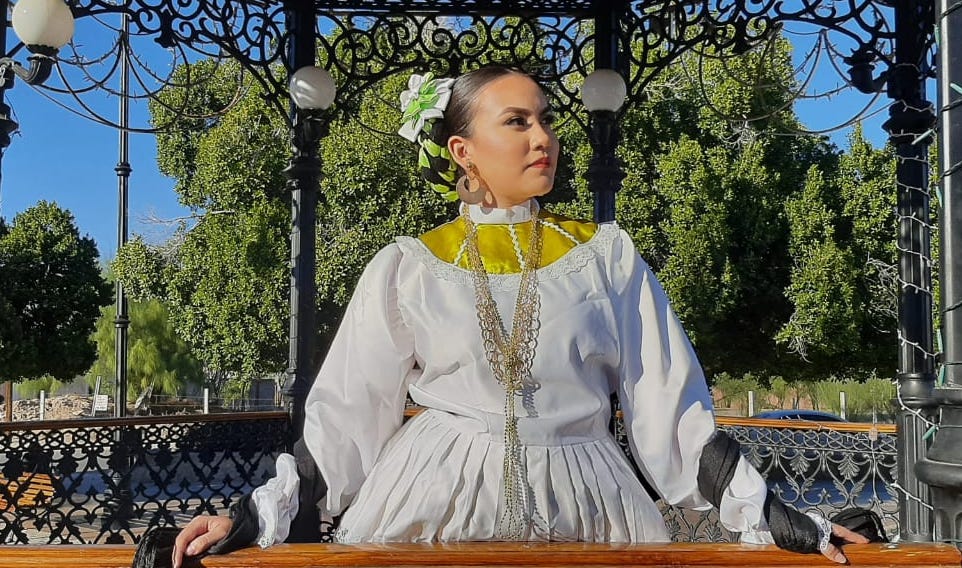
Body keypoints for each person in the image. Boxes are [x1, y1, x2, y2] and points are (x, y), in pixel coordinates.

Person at [170, 66, 872, 568]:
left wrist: (767, 511)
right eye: (517, 121)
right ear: (462, 150)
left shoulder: (606, 257)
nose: (543, 137)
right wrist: (258, 511)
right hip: (426, 510)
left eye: (544, 120)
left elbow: (670, 408)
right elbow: (349, 416)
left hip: (591, 507)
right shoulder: (410, 265)